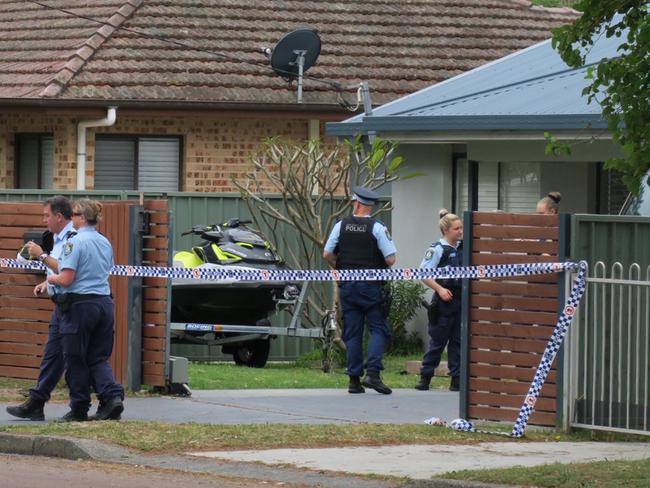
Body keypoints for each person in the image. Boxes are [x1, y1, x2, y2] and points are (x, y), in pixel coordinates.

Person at [46, 199, 124, 421]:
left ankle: (79, 407)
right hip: (104, 303)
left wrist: (51, 279)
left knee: (75, 358)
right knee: (98, 357)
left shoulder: (74, 242)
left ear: (81, 217)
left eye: (73, 214)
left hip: (80, 306)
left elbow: (67, 278)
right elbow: (105, 270)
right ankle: (112, 398)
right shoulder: (104, 241)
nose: (71, 218)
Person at [6, 196, 77, 421]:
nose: (43, 220)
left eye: (47, 215)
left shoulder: (74, 237)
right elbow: (64, 271)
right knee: (52, 354)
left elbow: (71, 268)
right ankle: (37, 402)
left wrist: (41, 255)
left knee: (81, 356)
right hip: (62, 302)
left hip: (77, 303)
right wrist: (49, 282)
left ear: (58, 216)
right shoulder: (54, 237)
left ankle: (105, 399)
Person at [323, 186, 396, 395]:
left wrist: (341, 265)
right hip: (371, 287)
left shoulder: (340, 225)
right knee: (379, 329)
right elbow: (391, 259)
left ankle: (354, 381)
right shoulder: (378, 227)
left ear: (356, 203)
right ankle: (372, 373)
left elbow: (327, 253)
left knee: (352, 334)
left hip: (348, 287)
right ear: (370, 206)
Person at [415, 209, 463, 392]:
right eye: (456, 228)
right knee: (438, 340)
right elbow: (423, 274)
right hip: (444, 302)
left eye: (461, 228)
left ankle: (456, 378)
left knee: (457, 341)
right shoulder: (437, 249)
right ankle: (425, 376)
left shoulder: (462, 248)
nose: (460, 231)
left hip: (460, 300)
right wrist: (440, 289)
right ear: (446, 231)